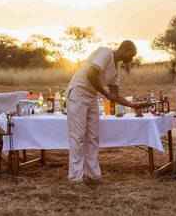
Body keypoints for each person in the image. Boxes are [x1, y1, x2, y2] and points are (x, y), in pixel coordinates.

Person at [64, 40, 151, 186]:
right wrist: (104, 93)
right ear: (126, 50)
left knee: (93, 136)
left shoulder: (116, 71)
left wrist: (133, 105)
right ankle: (75, 178)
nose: (132, 59)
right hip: (78, 93)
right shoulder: (105, 52)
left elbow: (115, 95)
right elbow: (91, 75)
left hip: (91, 97)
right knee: (78, 136)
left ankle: (93, 175)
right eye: (132, 55)